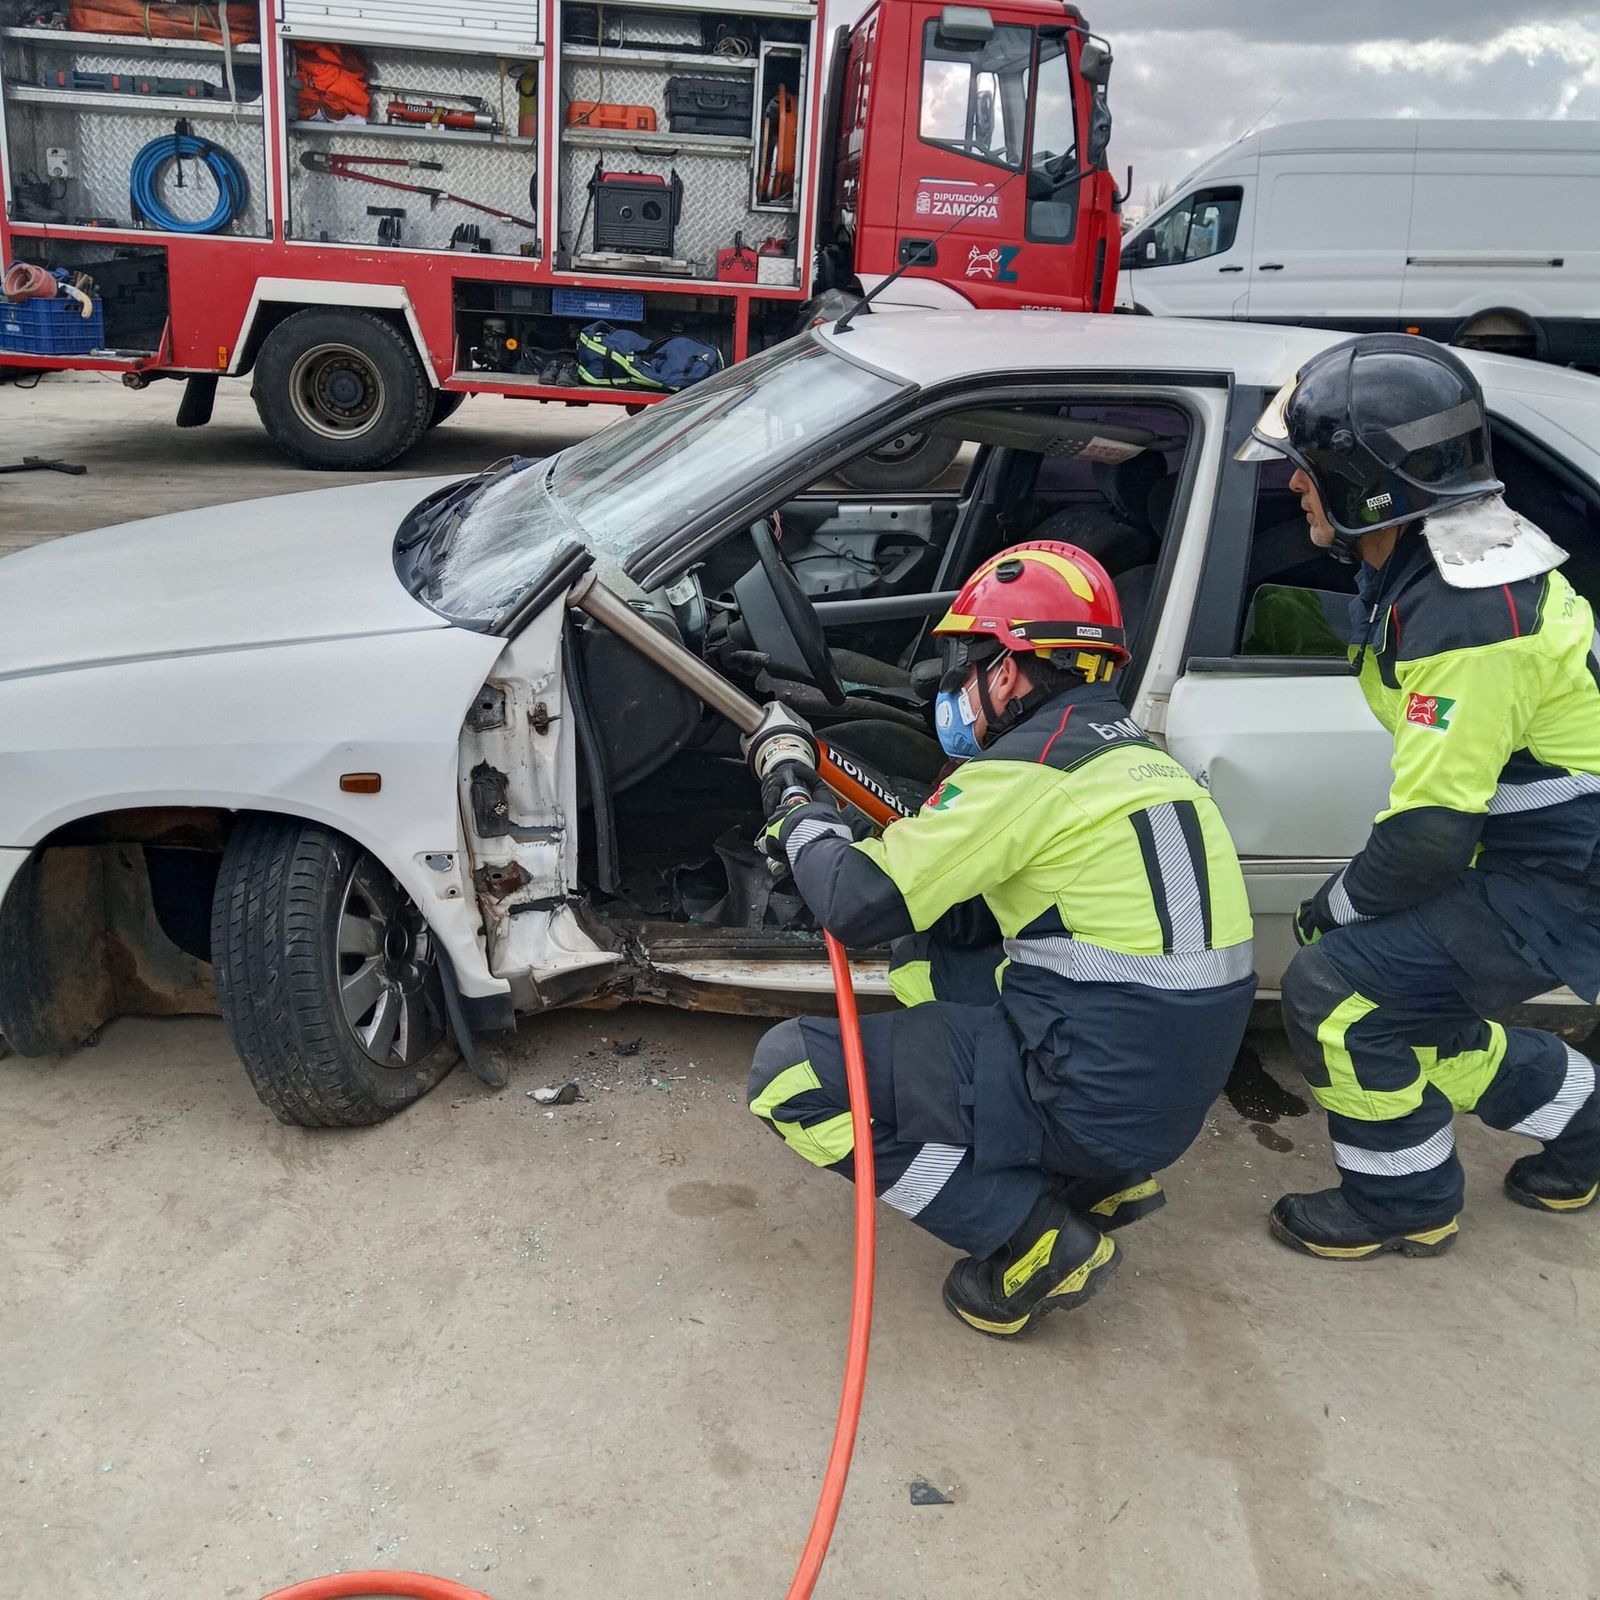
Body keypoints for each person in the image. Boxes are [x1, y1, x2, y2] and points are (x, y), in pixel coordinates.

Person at [744, 540, 1256, 1337]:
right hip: (1170, 1091)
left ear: (1009, 672)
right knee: (942, 948)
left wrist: (796, 806)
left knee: (787, 1076)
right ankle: (1100, 1180)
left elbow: (854, 904)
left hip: (1092, 1095)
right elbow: (964, 909)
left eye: (964, 666)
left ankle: (1030, 1238)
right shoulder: (1142, 763)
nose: (955, 688)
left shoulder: (1023, 772)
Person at [1238, 332, 1600, 1259]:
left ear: (1369, 485)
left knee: (1337, 989)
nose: (1293, 487)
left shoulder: (1472, 618)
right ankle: (1587, 1120)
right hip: (1537, 858)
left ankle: (1402, 1204)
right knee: (1406, 998)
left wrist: (1332, 910)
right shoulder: (1445, 563)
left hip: (1568, 880)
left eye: (1309, 470)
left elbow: (1430, 837)